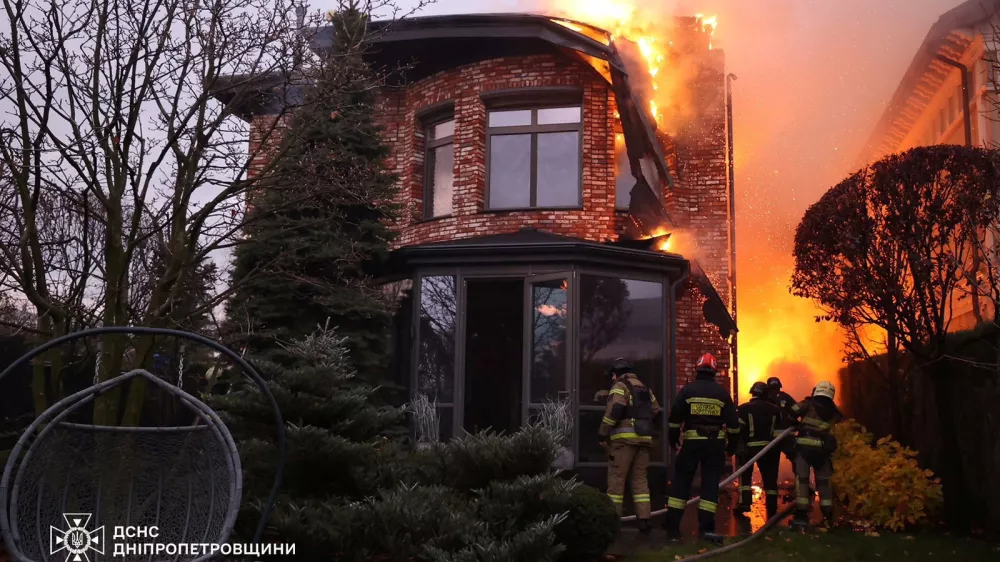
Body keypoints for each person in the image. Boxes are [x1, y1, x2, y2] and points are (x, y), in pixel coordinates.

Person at [663, 353, 740, 544]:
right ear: (714, 371)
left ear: (697, 369)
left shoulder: (688, 390)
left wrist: (673, 438)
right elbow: (733, 424)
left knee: (681, 482)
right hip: (715, 445)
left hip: (692, 443)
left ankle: (672, 527)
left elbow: (675, 418)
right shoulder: (722, 394)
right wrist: (732, 446)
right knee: (710, 485)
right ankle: (706, 529)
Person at [598, 357, 662, 534]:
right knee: (640, 480)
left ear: (616, 373)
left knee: (616, 481)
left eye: (612, 375)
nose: (612, 378)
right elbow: (657, 411)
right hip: (644, 441)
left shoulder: (620, 386)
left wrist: (603, 432)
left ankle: (613, 522)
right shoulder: (645, 387)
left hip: (623, 442)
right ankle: (644, 520)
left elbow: (615, 410)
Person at [789, 381, 843, 529]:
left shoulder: (809, 404)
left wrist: (797, 423)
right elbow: (839, 421)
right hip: (823, 451)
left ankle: (801, 514)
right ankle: (828, 514)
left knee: (803, 480)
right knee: (824, 481)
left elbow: (793, 410)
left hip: (804, 449)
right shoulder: (835, 411)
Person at [735, 381, 782, 520]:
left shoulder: (743, 409)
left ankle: (745, 504)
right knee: (770, 479)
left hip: (748, 449)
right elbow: (779, 431)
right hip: (769, 449)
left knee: (745, 477)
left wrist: (735, 446)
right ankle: (772, 507)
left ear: (753, 393)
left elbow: (737, 430)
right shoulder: (775, 410)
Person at [766, 377, 797, 462]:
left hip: (770, 437)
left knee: (772, 462)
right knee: (796, 459)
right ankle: (799, 470)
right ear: (779, 386)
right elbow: (797, 410)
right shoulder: (786, 397)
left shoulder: (765, 398)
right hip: (787, 434)